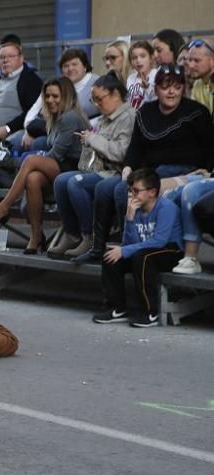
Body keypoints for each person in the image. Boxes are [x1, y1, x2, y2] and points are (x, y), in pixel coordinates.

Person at [73, 64, 214, 264]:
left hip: (184, 170)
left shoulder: (197, 112)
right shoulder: (146, 111)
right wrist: (128, 168)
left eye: (176, 86)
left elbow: (209, 146)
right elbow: (135, 148)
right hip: (149, 171)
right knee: (108, 188)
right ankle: (98, 247)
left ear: (184, 88)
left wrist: (208, 170)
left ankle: (132, 248)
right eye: (165, 86)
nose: (171, 91)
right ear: (156, 89)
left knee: (126, 190)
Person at [0, 77, 88, 253]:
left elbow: (56, 155)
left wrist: (20, 162)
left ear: (67, 97)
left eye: (55, 96)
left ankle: (4, 207)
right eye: (47, 96)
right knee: (33, 179)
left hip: (77, 172)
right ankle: (35, 236)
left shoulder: (69, 117)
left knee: (31, 161)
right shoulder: (56, 117)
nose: (50, 100)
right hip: (61, 168)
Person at [48, 73, 135, 259]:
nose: (96, 104)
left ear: (115, 95)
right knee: (61, 181)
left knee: (76, 183)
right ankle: (72, 234)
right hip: (99, 169)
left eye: (99, 99)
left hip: (116, 172)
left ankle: (90, 237)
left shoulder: (128, 117)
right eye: (92, 100)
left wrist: (93, 139)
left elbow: (121, 153)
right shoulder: (106, 117)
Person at [92, 168, 184, 328]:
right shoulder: (136, 210)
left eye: (136, 190)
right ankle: (116, 308)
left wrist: (125, 251)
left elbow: (159, 241)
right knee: (110, 256)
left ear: (152, 192)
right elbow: (129, 243)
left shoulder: (166, 207)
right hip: (144, 250)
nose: (132, 195)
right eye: (130, 190)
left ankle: (151, 311)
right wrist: (129, 217)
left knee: (141, 257)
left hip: (170, 250)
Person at [185, 38, 214, 113]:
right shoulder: (197, 83)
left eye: (197, 60)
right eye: (190, 60)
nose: (191, 65)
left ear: (212, 61)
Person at [126, 40, 157, 109]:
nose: (138, 60)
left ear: (151, 58)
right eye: (134, 58)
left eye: (143, 56)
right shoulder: (131, 78)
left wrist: (147, 88)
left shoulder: (156, 75)